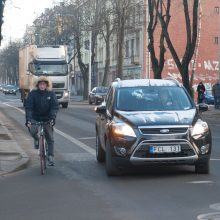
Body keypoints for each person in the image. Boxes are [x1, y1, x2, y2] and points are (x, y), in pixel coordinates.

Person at [25, 76, 59, 166]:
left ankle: (50, 156)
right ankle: (36, 139)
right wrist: (28, 119)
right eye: (40, 84)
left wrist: (52, 118)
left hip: (47, 118)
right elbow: (29, 107)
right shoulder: (33, 94)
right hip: (35, 117)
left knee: (50, 138)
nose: (42, 86)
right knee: (32, 131)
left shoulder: (51, 94)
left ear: (47, 85)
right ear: (38, 85)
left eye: (44, 84)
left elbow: (54, 107)